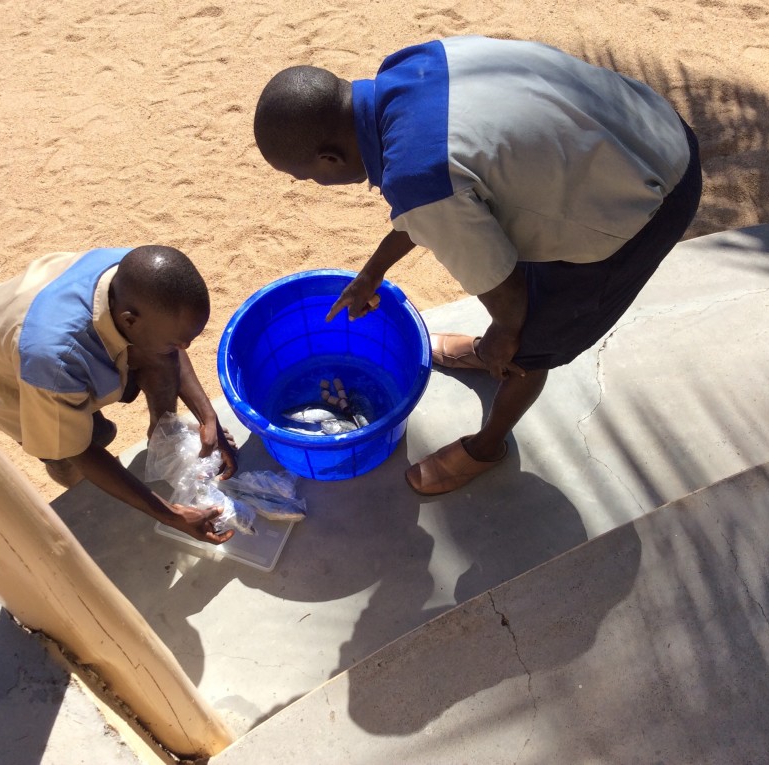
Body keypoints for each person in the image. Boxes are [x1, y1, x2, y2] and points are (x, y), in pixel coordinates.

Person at [253, 35, 702, 496]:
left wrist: (506, 336)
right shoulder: (410, 67)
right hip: (644, 124)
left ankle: (487, 446)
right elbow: (441, 198)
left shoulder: (418, 178)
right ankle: (489, 353)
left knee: (531, 341)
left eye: (307, 176)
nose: (315, 183)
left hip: (651, 193)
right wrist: (373, 272)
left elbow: (506, 291)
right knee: (509, 275)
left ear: (329, 158)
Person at [0, 244, 237, 543]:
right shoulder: (53, 363)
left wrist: (207, 416)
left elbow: (170, 347)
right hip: (15, 371)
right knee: (69, 456)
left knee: (160, 355)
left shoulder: (133, 278)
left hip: (50, 312)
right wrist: (170, 514)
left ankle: (162, 436)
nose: (185, 350)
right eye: (178, 343)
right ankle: (84, 495)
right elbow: (75, 450)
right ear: (128, 321)